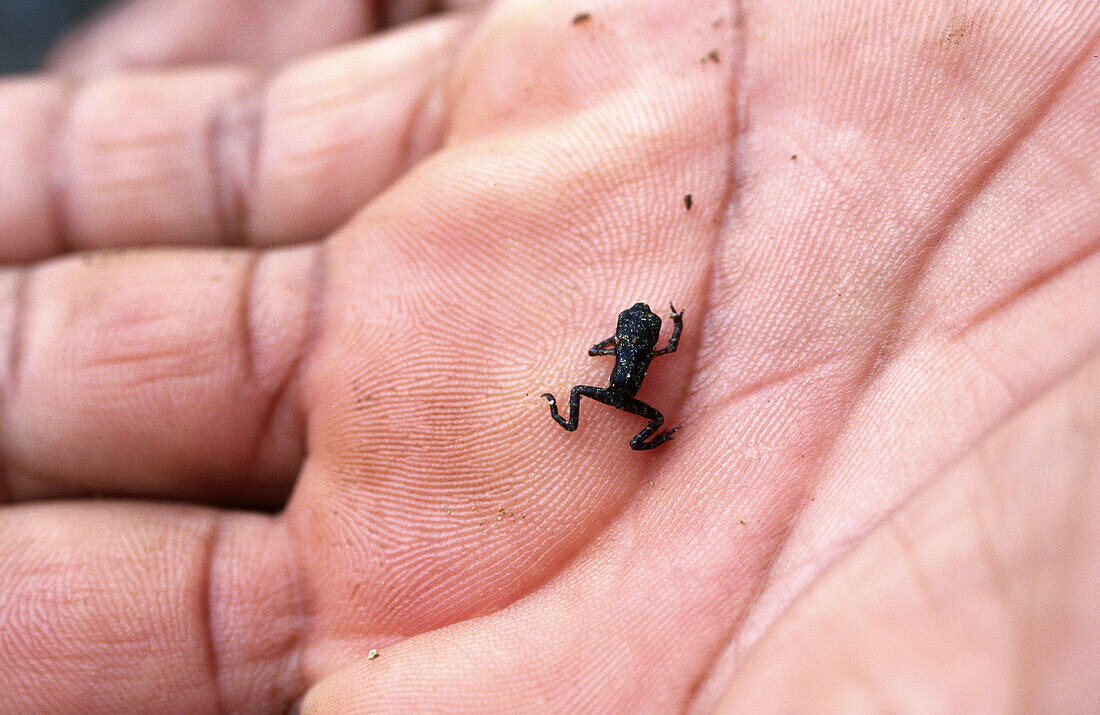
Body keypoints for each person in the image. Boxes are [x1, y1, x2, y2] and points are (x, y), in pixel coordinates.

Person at [0, 0, 1096, 711]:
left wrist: (635, 383)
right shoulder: (635, 346)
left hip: (623, 404)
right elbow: (655, 340)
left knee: (600, 404)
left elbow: (654, 339)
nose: (632, 333)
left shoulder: (632, 345)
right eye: (627, 333)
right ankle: (605, 424)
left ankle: (607, 424)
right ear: (624, 344)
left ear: (626, 345)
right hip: (623, 404)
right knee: (597, 404)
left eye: (629, 333)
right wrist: (631, 386)